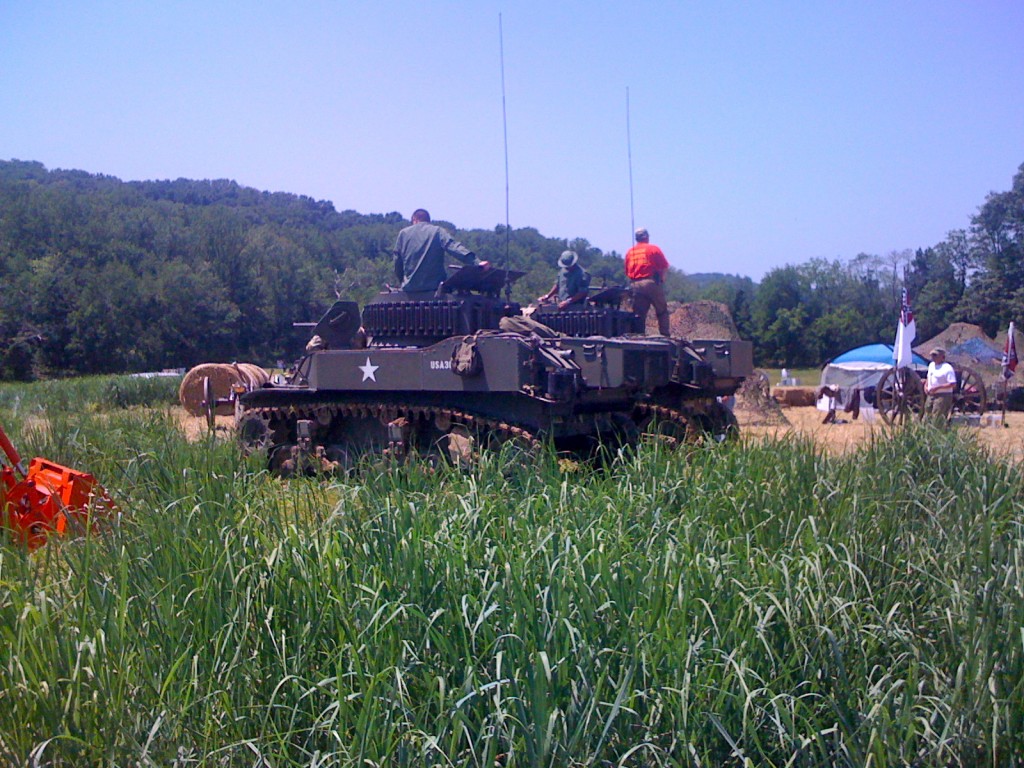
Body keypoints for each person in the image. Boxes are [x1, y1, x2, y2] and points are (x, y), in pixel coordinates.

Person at [393, 209, 488, 293]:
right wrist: (477, 262)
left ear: (414, 219)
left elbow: (397, 262)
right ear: (428, 221)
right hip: (435, 288)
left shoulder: (403, 234)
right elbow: (454, 247)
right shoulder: (437, 231)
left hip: (410, 289)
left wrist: (403, 281)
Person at [625, 227, 670, 336]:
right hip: (650, 282)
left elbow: (627, 271)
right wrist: (662, 279)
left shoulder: (630, 252)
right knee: (662, 310)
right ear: (647, 237)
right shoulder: (653, 249)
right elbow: (664, 266)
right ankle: (664, 335)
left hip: (634, 284)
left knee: (639, 314)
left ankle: (638, 336)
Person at [924, 346, 957, 422]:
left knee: (937, 417)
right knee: (927, 416)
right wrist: (926, 386)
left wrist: (937, 388)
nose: (933, 357)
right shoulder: (931, 365)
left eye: (935, 355)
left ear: (942, 357)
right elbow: (929, 376)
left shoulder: (947, 368)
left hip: (943, 396)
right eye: (932, 355)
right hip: (931, 395)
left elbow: (952, 384)